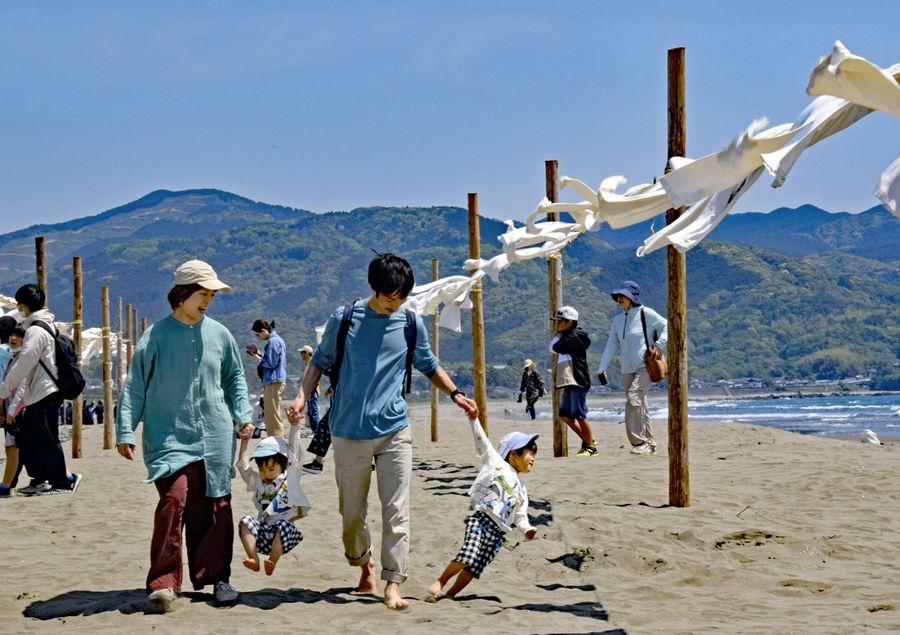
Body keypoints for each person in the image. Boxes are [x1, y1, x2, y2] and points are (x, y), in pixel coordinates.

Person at [287, 252, 478, 610]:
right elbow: (319, 362)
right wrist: (301, 396)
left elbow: (428, 365)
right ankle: (364, 562)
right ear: (373, 288)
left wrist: (456, 394)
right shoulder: (345, 318)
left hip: (394, 430)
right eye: (390, 298)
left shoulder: (409, 321)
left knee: (397, 511)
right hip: (348, 431)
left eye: (402, 298)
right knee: (352, 514)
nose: (396, 304)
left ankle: (393, 584)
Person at [116, 259, 253, 611]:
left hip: (215, 433)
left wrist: (243, 415)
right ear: (182, 294)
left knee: (216, 507)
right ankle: (163, 582)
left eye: (211, 294)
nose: (207, 300)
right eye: (202, 293)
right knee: (174, 500)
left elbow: (235, 379)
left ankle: (217, 578)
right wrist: (125, 429)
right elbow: (134, 386)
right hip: (169, 436)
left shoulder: (220, 334)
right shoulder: (156, 336)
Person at [426, 416, 538, 601]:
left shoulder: (522, 489)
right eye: (530, 453)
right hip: (482, 522)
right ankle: (441, 581)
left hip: (498, 535)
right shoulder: (497, 464)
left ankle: (450, 595)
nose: (533, 458)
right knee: (466, 557)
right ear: (513, 454)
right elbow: (482, 441)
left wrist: (527, 529)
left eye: (535, 455)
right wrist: (473, 418)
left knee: (474, 568)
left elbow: (520, 516)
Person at [0, 284, 82, 495]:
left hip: (45, 391)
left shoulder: (36, 330)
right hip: (38, 392)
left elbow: (25, 363)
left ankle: (63, 482)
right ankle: (39, 480)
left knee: (47, 439)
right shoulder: (45, 325)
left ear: (24, 305)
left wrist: (3, 390)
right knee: (32, 440)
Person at [596, 280, 667, 455]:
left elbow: (668, 325)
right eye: (618, 296)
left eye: (624, 295)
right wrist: (601, 367)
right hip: (626, 368)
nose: (620, 298)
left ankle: (638, 442)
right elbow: (611, 345)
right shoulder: (617, 321)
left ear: (632, 297)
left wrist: (659, 345)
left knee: (633, 398)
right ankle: (650, 444)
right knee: (639, 403)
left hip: (646, 365)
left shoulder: (646, 313)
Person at [236, 426, 310, 576]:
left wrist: (295, 426)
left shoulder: (290, 478)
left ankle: (272, 561)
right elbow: (244, 467)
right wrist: (244, 442)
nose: (266, 474)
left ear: (283, 466)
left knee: (282, 525)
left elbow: (295, 454)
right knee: (245, 522)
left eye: (271, 469)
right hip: (263, 535)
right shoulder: (259, 482)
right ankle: (254, 559)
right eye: (262, 469)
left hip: (283, 538)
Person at [549, 306, 596, 456]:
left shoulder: (574, 337)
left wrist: (558, 335)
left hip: (578, 380)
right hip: (570, 380)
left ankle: (591, 448)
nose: (557, 324)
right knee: (565, 415)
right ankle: (588, 440)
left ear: (569, 322)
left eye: (560, 321)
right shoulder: (569, 335)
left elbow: (554, 347)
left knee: (580, 415)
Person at [246, 319, 287, 438]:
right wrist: (257, 352)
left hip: (274, 381)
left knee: (273, 415)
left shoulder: (273, 342)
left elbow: (271, 363)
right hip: (274, 381)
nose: (258, 337)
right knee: (271, 414)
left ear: (264, 330)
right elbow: (271, 358)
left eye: (258, 334)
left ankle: (277, 442)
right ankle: (275, 440)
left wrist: (256, 357)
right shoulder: (275, 340)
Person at [0, 319, 24, 496]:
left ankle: (6, 486)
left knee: (13, 445)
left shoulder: (6, 354)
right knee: (17, 446)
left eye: (17, 335)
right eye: (11, 334)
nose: (13, 338)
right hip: (12, 406)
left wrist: (9, 408)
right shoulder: (14, 355)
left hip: (13, 407)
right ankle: (8, 484)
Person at [298, 345, 320, 435]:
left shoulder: (311, 364)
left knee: (313, 411)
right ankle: (314, 430)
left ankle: (316, 431)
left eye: (302, 353)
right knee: (311, 411)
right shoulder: (309, 363)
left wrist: (309, 391)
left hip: (312, 390)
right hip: (311, 389)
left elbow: (313, 379)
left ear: (307, 353)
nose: (301, 355)